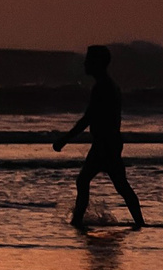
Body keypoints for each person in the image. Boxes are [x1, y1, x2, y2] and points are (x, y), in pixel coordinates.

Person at [53, 44, 145, 230]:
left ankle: (77, 223)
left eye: (89, 60)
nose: (85, 64)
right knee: (119, 185)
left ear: (98, 63)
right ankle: (140, 222)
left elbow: (88, 118)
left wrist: (65, 139)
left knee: (86, 181)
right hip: (109, 142)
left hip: (105, 143)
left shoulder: (103, 87)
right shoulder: (108, 86)